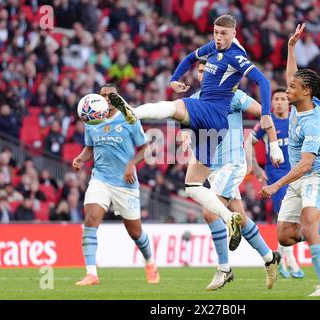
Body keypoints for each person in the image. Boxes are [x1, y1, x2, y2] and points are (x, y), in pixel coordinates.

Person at [109, 14, 283, 245]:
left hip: (212, 112)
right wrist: (174, 78)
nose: (218, 37)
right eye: (215, 32)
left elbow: (264, 82)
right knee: (192, 186)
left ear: (234, 34)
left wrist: (265, 114)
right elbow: (191, 57)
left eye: (223, 33)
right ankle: (232, 220)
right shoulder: (212, 48)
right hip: (212, 125)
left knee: (173, 107)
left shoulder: (237, 58)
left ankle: (133, 112)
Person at [260, 24, 320, 297]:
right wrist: (291, 47)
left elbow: (305, 165)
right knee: (285, 236)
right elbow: (293, 75)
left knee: (309, 227)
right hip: (298, 179)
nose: (287, 90)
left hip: (315, 176)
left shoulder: (314, 123)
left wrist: (276, 185)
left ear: (306, 92)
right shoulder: (299, 101)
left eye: (292, 88)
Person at [183, 60, 282, 290]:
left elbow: (264, 114)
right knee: (240, 215)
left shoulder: (234, 96)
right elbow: (186, 125)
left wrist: (274, 144)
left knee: (210, 213)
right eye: (199, 71)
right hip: (213, 168)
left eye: (205, 70)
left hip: (232, 164)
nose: (202, 74)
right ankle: (270, 257)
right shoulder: (196, 100)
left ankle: (224, 270)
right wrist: (186, 136)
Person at [73, 83, 159, 286]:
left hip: (125, 183)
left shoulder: (129, 118)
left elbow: (146, 149)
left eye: (110, 95)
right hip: (100, 178)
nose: (106, 98)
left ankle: (150, 262)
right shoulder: (92, 119)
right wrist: (80, 158)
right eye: (102, 95)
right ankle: (91, 274)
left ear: (117, 97)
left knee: (135, 232)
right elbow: (89, 148)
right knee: (91, 219)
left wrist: (131, 164)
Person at [249, 87, 305, 279]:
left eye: (283, 98)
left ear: (288, 102)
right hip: (276, 177)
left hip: (297, 174)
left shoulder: (297, 120)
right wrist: (256, 167)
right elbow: (248, 143)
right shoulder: (267, 122)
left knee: (294, 219)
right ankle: (293, 263)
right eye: (276, 99)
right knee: (286, 217)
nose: (280, 102)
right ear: (271, 103)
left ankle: (280, 258)